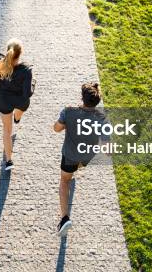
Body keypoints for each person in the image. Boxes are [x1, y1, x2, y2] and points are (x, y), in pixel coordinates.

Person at [53, 82, 107, 236]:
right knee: (79, 166)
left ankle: (65, 218)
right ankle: (77, 168)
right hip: (86, 156)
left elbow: (56, 128)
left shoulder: (69, 111)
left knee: (65, 181)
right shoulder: (101, 118)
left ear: (82, 98)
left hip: (70, 155)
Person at [0, 38, 33, 171]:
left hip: (5, 100)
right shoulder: (26, 69)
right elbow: (27, 94)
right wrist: (33, 83)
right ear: (20, 53)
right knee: (19, 112)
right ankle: (17, 117)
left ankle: (9, 161)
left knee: (7, 130)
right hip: (20, 101)